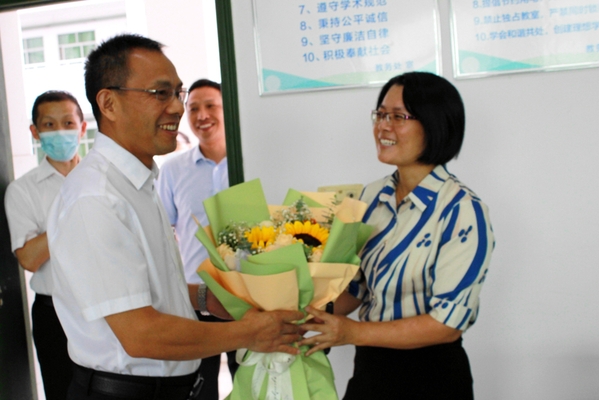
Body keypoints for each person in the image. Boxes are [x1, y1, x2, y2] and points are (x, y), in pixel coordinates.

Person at [46, 33, 303, 400]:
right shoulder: (96, 198)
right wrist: (254, 332)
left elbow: (142, 289)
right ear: (109, 103)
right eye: (160, 93)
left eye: (177, 93)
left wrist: (204, 298)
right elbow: (141, 334)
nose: (177, 108)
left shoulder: (138, 181)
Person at [300, 72, 495, 399]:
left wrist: (352, 332)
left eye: (398, 117)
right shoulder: (371, 196)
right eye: (380, 114)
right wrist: (301, 313)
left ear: (435, 124)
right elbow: (356, 289)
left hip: (432, 376)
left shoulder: (462, 210)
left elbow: (447, 324)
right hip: (371, 370)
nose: (383, 127)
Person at [156, 79, 237, 400]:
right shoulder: (173, 170)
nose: (202, 115)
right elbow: (163, 232)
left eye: (211, 106)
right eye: (193, 109)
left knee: (251, 383)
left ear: (227, 110)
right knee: (197, 389)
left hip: (246, 296)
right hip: (196, 297)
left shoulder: (248, 161)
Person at [4, 90, 86, 400]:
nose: (60, 131)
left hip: (109, 308)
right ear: (35, 132)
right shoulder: (23, 190)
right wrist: (73, 213)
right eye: (49, 125)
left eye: (68, 123)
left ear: (82, 128)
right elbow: (29, 258)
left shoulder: (104, 179)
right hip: (55, 314)